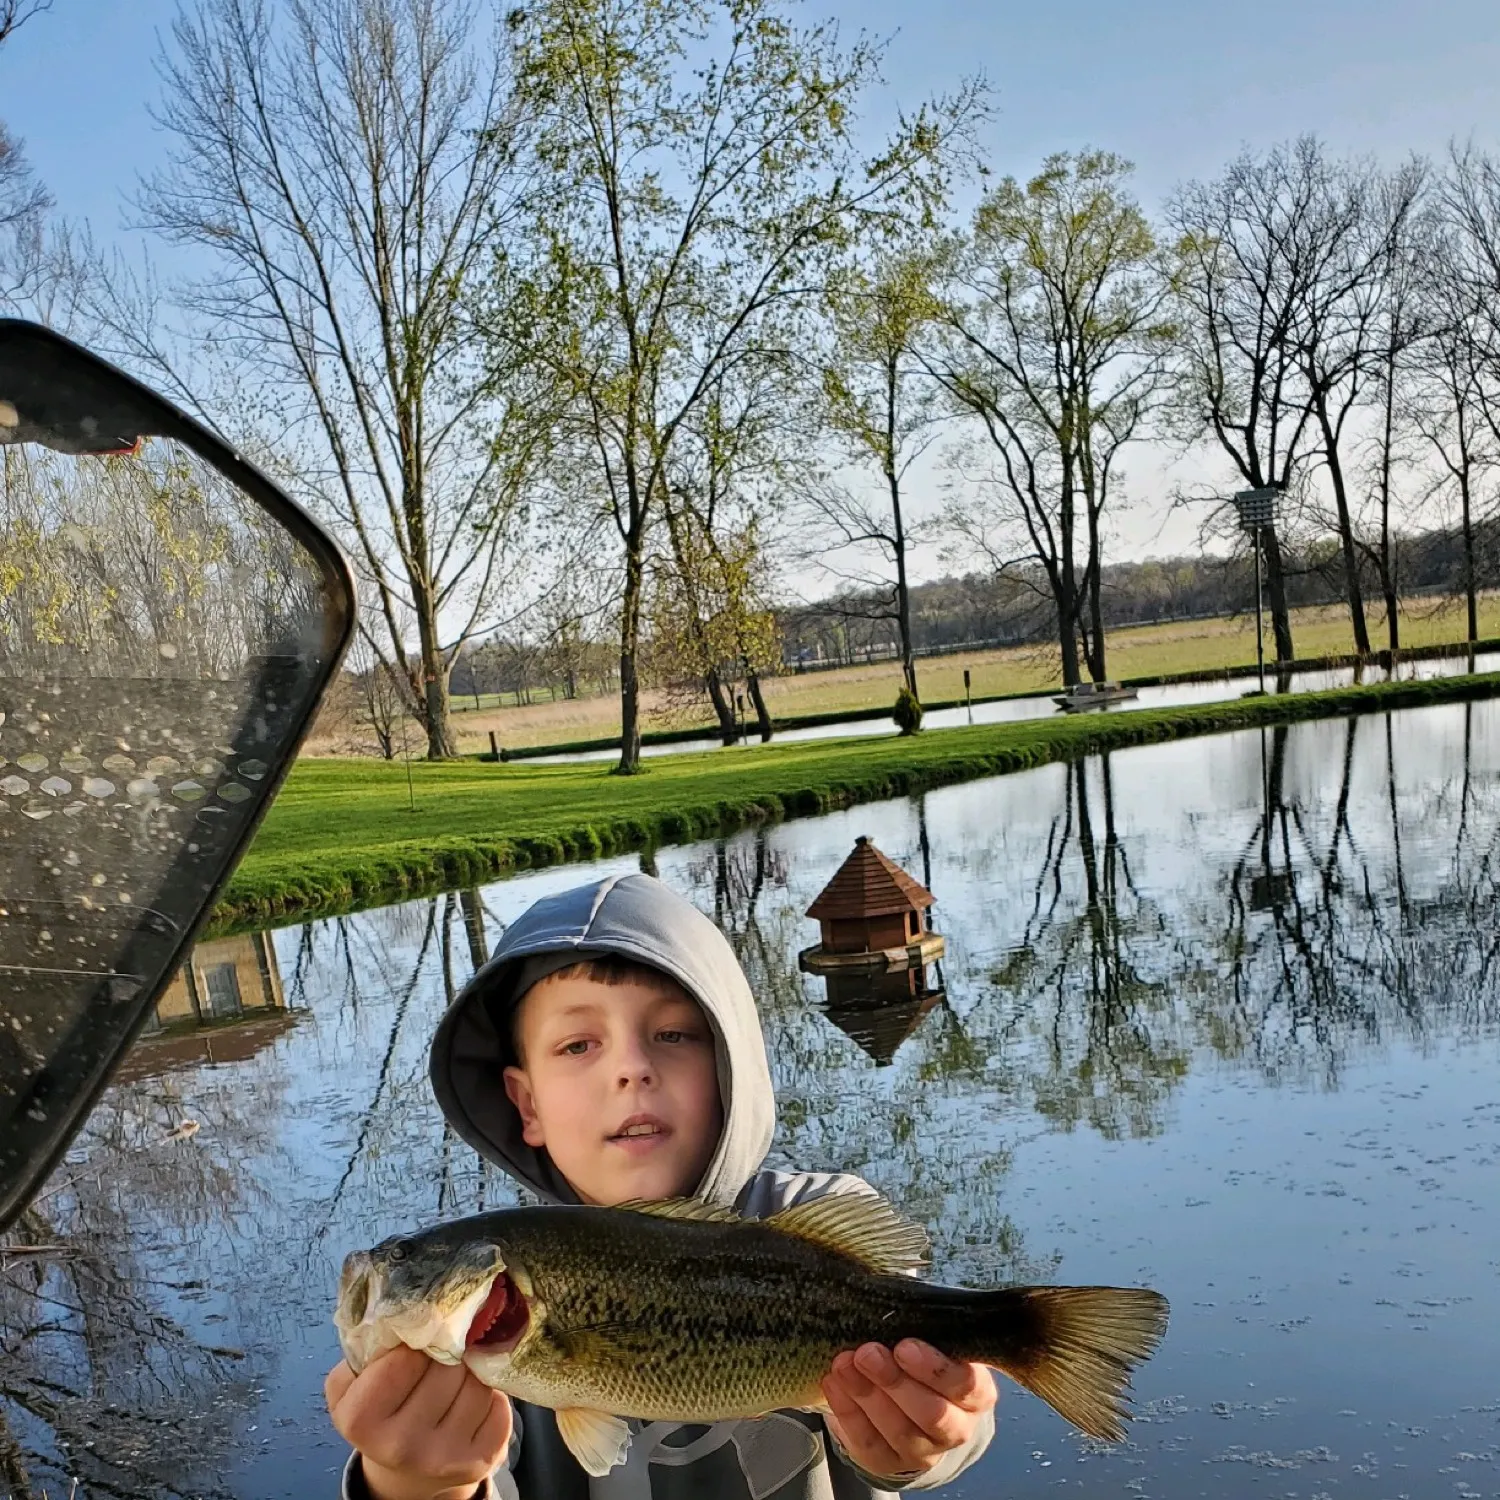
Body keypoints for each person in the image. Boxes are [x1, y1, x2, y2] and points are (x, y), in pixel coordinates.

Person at [325, 872, 997, 1499]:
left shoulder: (815, 1218)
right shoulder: (482, 1354)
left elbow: (943, 1397)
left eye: (673, 1033)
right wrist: (413, 1485)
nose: (632, 1069)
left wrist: (928, 1441)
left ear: (732, 1067)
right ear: (526, 1104)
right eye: (578, 1046)